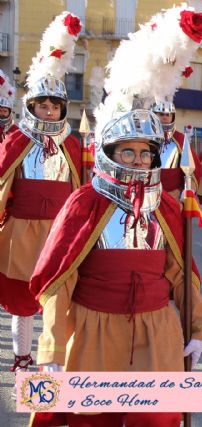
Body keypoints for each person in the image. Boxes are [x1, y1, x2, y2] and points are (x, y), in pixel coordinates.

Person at [29, 5, 202, 426]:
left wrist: (197, 328)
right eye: (127, 150)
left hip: (158, 332)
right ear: (110, 154)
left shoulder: (165, 205)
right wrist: (52, 352)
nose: (138, 158)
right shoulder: (85, 204)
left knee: (157, 421)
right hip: (94, 333)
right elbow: (58, 283)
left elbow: (182, 275)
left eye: (146, 152)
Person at [0, 12, 83, 372]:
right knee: (22, 303)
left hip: (58, 235)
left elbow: (82, 192)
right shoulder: (16, 140)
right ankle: (22, 358)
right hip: (22, 232)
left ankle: (52, 364)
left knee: (57, 299)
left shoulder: (72, 145)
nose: (49, 110)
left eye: (55, 105)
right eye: (42, 105)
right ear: (31, 106)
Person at [153, 99, 202, 203]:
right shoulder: (147, 137)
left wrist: (189, 189)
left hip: (173, 195)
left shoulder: (180, 139)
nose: (165, 117)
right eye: (161, 114)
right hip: (150, 194)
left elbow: (190, 170)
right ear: (155, 115)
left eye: (168, 114)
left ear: (173, 117)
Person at [0, 69, 18, 142]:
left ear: (9, 112)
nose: (2, 114)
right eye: (0, 111)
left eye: (5, 111)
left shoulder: (14, 130)